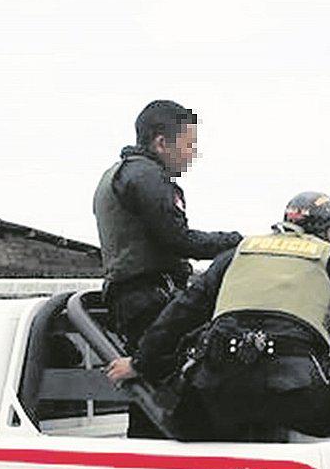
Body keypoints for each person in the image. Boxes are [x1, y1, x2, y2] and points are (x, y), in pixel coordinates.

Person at [105, 192, 330, 453]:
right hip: (296, 391)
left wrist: (140, 363)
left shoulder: (237, 254)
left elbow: (181, 312)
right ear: (328, 232)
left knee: (193, 412)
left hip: (217, 389)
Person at [95, 100, 241, 437]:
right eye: (188, 145)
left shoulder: (121, 174)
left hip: (135, 296)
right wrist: (237, 242)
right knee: (177, 385)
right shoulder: (145, 176)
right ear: (162, 143)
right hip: (147, 297)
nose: (192, 155)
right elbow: (179, 239)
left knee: (151, 390)